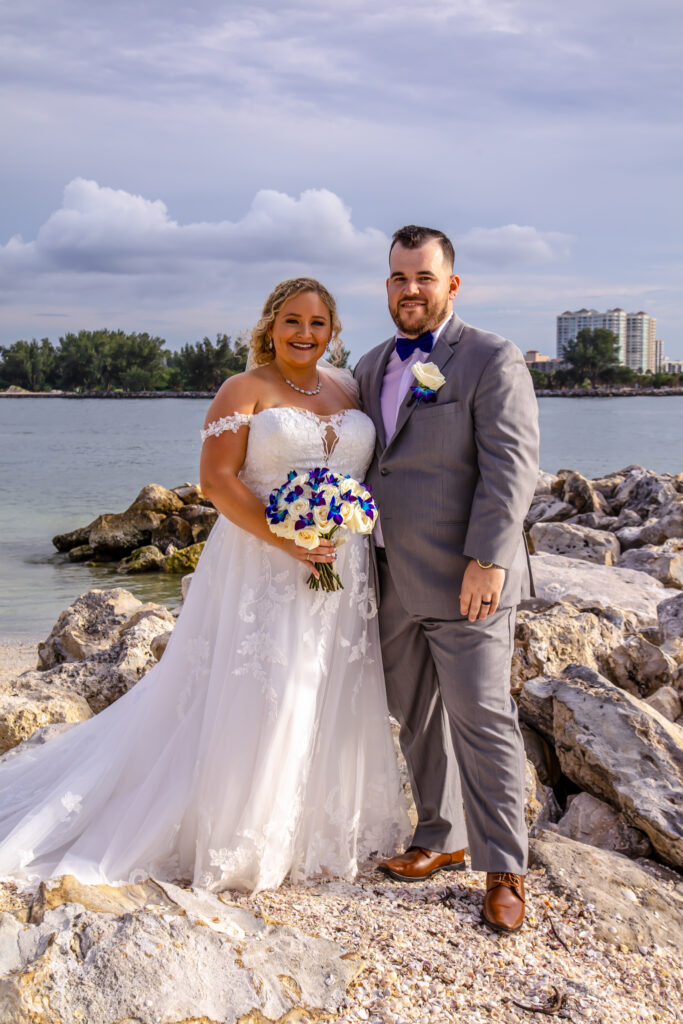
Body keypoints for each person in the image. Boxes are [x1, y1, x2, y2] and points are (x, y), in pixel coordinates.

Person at [0, 278, 409, 894]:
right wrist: (289, 540)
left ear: (333, 331)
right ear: (270, 325)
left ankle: (310, 832)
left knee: (325, 684)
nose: (305, 333)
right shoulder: (240, 390)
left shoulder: (348, 387)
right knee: (263, 687)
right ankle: (241, 835)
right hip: (262, 564)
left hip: (340, 566)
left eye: (318, 323)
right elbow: (218, 484)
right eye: (292, 321)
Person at [354, 226, 539, 933]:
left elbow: (510, 468)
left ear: (450, 285)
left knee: (482, 719)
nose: (409, 289)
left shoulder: (491, 357)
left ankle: (504, 870)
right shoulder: (370, 366)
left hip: (469, 580)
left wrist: (488, 560)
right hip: (388, 577)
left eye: (423, 277)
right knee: (417, 718)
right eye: (398, 277)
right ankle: (438, 835)